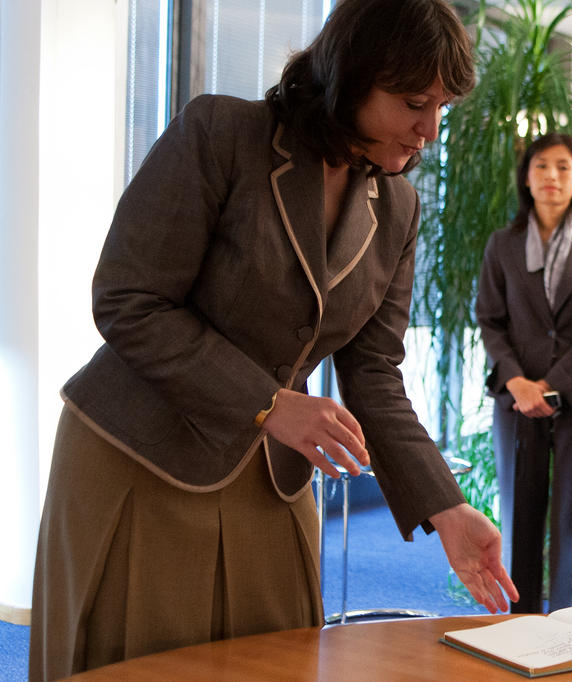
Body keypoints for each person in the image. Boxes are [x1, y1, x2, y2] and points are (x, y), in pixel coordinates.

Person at [29, 0, 517, 678]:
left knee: (274, 664)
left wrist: (447, 507)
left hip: (270, 478)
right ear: (352, 75)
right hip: (140, 455)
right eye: (414, 102)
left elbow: (373, 371)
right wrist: (270, 402)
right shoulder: (221, 134)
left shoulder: (398, 207)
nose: (429, 131)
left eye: (442, 108)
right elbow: (129, 301)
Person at [476, 133, 572, 613]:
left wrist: (552, 384)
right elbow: (490, 319)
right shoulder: (502, 244)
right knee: (520, 512)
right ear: (526, 176)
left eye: (564, 167)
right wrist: (518, 381)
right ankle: (517, 623)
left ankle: (571, 623)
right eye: (541, 166)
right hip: (516, 396)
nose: (552, 177)